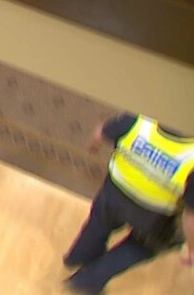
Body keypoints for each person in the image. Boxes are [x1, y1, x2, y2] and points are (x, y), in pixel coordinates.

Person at [63, 113, 194, 294]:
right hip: (154, 217)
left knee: (98, 224)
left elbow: (100, 134)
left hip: (113, 194)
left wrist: (92, 148)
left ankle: (77, 257)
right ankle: (85, 281)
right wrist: (191, 248)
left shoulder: (137, 121)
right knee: (142, 248)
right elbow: (190, 214)